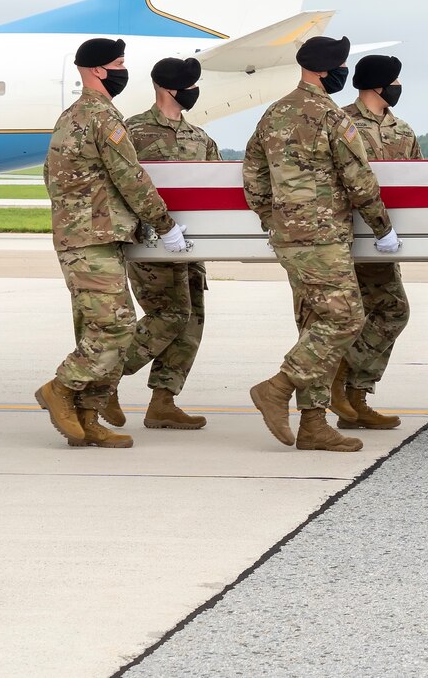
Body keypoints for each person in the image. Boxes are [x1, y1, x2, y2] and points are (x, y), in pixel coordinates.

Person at [242, 35, 395, 454]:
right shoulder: (331, 117)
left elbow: (253, 173)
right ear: (328, 71)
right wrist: (382, 228)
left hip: (289, 237)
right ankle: (277, 387)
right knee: (345, 320)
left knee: (315, 326)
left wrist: (271, 217)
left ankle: (313, 423)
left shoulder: (275, 113)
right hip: (323, 238)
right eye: (342, 66)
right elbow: (358, 178)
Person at [35, 38, 187, 449]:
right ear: (99, 70)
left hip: (87, 234)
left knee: (94, 329)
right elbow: (131, 177)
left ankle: (88, 420)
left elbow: (52, 177)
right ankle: (60, 388)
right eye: (119, 63)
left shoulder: (72, 116)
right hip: (91, 239)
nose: (124, 70)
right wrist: (164, 223)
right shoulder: (101, 117)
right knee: (116, 327)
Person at [123, 56, 221, 432]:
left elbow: (214, 192)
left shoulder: (201, 138)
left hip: (190, 250)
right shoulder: (133, 133)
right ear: (168, 88)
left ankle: (163, 402)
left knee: (191, 323)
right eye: (189, 86)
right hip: (150, 247)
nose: (194, 92)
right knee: (169, 318)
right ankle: (100, 380)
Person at [334, 53, 418, 430]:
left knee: (390, 312)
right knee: (358, 317)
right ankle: (341, 387)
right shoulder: (342, 123)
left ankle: (355, 394)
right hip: (348, 238)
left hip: (386, 243)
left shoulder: (402, 131)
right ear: (380, 84)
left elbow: (415, 184)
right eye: (396, 80)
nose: (399, 87)